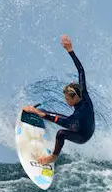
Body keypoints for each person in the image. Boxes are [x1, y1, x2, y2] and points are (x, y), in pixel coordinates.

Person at [22, 34, 95, 165]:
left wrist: (39, 113)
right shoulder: (81, 91)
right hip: (78, 124)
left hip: (83, 134)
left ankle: (53, 157)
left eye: (68, 99)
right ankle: (36, 119)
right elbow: (81, 70)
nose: (66, 101)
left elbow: (64, 122)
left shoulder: (81, 113)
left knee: (61, 133)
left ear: (75, 97)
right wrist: (70, 51)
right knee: (42, 111)